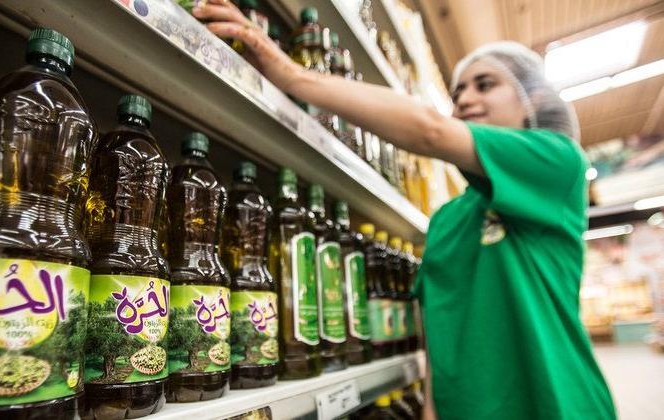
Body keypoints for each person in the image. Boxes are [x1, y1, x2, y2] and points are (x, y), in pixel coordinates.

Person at [192, 1, 617, 419]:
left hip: (557, 404)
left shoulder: (558, 163)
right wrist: (430, 407)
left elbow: (432, 130)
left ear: (533, 99)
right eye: (457, 92)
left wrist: (291, 74)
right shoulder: (447, 219)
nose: (465, 100)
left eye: (485, 85)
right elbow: (439, 328)